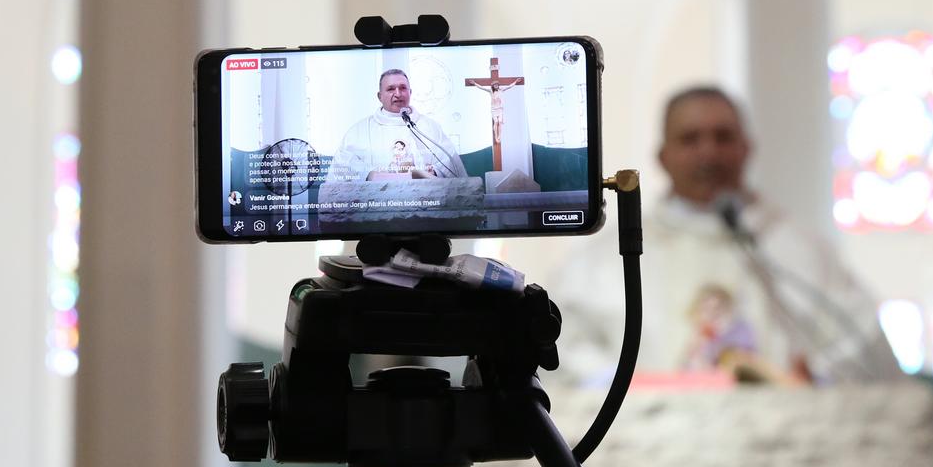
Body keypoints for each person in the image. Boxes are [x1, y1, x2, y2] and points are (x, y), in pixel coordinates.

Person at [554, 85, 902, 386]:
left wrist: (816, 376)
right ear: (663, 156)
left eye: (723, 137)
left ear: (746, 148)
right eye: (690, 139)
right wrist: (623, 385)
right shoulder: (608, 258)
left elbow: (862, 337)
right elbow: (563, 343)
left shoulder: (795, 247)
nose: (709, 152)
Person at [326, 68, 468, 182]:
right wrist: (369, 174)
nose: (398, 94)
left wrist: (434, 172)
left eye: (403, 88)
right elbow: (343, 167)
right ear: (379, 96)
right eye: (391, 89)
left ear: (410, 93)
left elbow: (451, 166)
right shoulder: (358, 131)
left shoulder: (429, 128)